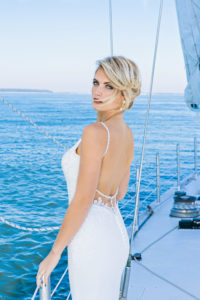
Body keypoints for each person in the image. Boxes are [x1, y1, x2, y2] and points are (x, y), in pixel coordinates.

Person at [36, 55, 141, 299]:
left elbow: (83, 200)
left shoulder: (94, 133)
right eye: (96, 83)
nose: (98, 91)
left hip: (91, 237)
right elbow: (120, 192)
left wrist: (54, 253)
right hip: (115, 234)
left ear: (124, 93)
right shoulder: (127, 134)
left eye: (109, 86)